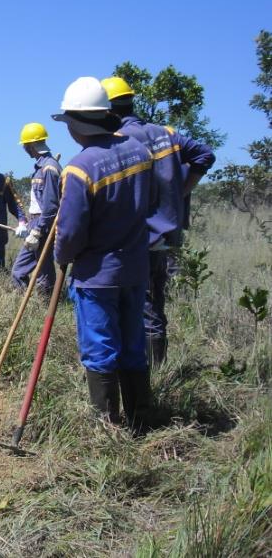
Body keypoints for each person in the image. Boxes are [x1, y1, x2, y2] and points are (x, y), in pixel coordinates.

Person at [52, 76, 154, 432]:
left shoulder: (80, 168)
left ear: (78, 124)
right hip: (136, 269)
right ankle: (142, 421)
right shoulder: (140, 153)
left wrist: (62, 255)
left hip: (97, 275)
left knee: (100, 348)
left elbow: (70, 231)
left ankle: (107, 429)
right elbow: (151, 204)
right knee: (132, 344)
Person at [102, 76, 216, 367]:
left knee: (125, 308)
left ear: (108, 110)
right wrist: (180, 192)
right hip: (163, 238)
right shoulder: (166, 133)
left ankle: (144, 377)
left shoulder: (120, 141)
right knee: (153, 308)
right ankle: (154, 372)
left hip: (134, 238)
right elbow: (205, 154)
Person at [10, 123, 61, 294]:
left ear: (31, 145)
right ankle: (35, 305)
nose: (25, 149)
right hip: (36, 222)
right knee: (27, 271)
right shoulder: (41, 166)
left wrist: (38, 230)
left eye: (25, 145)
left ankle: (45, 306)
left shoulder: (49, 168)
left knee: (39, 273)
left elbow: (51, 207)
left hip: (43, 224)